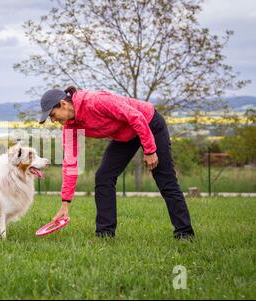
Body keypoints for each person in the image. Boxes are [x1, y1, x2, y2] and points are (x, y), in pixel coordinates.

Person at [39, 86, 195, 240]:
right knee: (103, 177)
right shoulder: (70, 126)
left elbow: (136, 117)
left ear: (64, 104)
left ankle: (185, 233)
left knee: (164, 178)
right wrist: (65, 202)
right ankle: (105, 234)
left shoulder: (95, 102)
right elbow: (71, 163)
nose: (53, 120)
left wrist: (150, 150)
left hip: (148, 122)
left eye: (53, 115)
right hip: (125, 135)